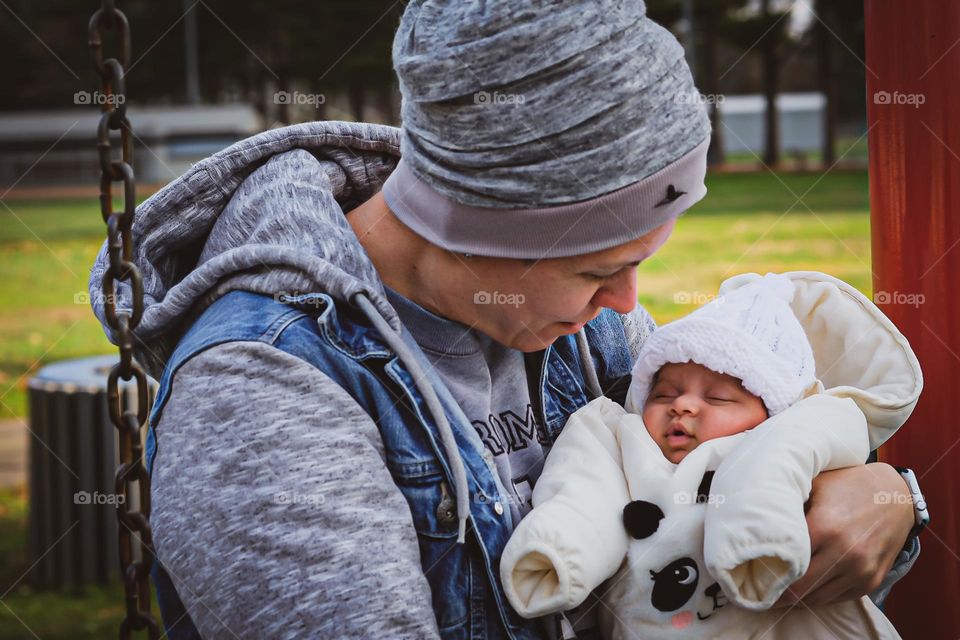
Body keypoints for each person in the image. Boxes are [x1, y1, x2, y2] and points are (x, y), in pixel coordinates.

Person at [88, 1, 922, 638]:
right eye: (601, 268)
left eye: (640, 260)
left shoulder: (576, 327)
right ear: (466, 230)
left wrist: (884, 494)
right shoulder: (263, 396)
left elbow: (712, 484)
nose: (631, 305)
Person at [500, 272, 922, 639]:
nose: (682, 406)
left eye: (718, 398)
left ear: (773, 412)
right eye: (663, 392)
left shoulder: (787, 437)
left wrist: (898, 495)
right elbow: (582, 494)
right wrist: (560, 555)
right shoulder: (623, 441)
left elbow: (814, 447)